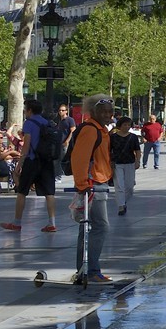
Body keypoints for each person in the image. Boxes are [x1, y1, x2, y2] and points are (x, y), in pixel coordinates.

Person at [67, 96, 115, 281]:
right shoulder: (90, 130)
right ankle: (92, 271)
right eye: (104, 111)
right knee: (100, 226)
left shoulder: (100, 130)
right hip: (92, 184)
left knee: (87, 227)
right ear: (94, 112)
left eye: (110, 111)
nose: (108, 114)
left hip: (97, 183)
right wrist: (83, 185)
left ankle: (84, 270)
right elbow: (79, 159)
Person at [2, 99, 60, 234]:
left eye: (25, 109)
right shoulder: (47, 123)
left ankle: (17, 222)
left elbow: (26, 145)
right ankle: (52, 223)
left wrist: (20, 164)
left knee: (22, 191)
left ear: (29, 110)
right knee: (49, 193)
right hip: (46, 161)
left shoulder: (29, 123)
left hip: (32, 161)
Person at [108, 117, 140, 216]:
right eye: (124, 124)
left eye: (128, 125)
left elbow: (137, 150)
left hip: (130, 163)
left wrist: (137, 161)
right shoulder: (113, 137)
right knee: (119, 186)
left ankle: (124, 201)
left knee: (130, 187)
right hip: (117, 164)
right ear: (120, 126)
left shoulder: (133, 137)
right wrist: (110, 162)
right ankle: (121, 206)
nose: (127, 127)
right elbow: (109, 150)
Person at [53, 103, 76, 179]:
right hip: (58, 143)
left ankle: (61, 175)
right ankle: (57, 175)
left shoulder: (70, 120)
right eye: (59, 110)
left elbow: (73, 130)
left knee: (63, 159)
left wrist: (67, 141)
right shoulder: (59, 121)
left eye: (63, 110)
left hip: (65, 143)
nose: (61, 112)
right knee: (57, 159)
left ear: (66, 111)